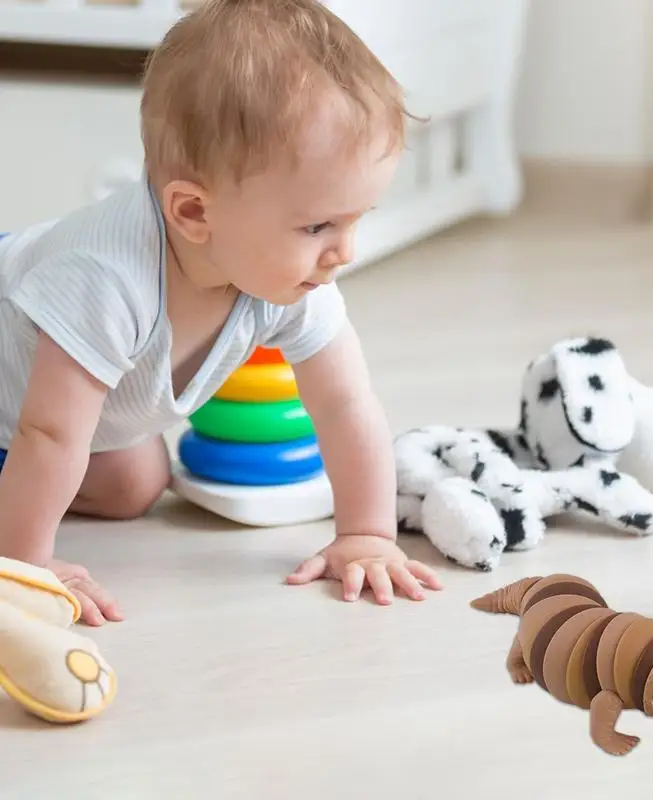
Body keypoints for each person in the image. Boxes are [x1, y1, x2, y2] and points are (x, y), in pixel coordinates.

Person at [0, 0, 442, 626]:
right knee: (54, 452)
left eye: (354, 220)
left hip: (36, 413)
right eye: (319, 225)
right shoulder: (102, 280)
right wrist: (25, 566)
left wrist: (366, 533)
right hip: (22, 391)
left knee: (135, 484)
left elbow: (345, 404)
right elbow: (48, 434)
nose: (345, 252)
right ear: (194, 214)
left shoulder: (289, 276)